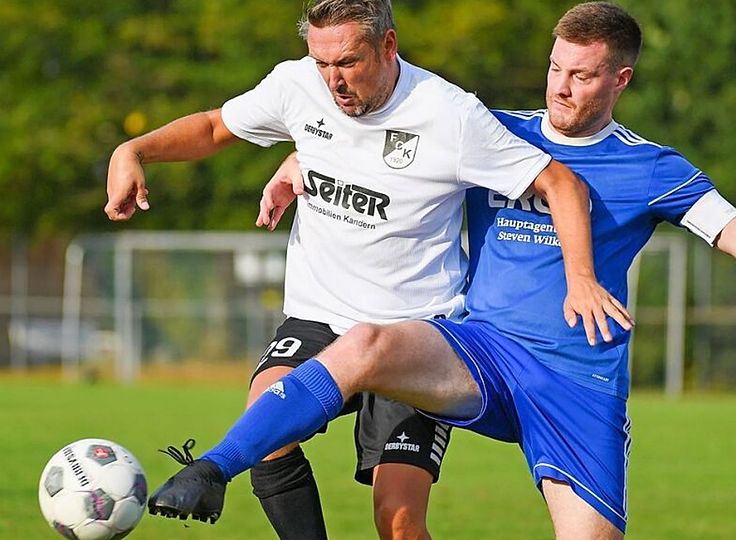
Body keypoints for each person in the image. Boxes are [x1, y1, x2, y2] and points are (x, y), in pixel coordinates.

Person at [146, 2, 736, 538]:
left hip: (578, 383)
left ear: (619, 79)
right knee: (364, 345)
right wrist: (295, 161)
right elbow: (379, 144)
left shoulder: (654, 169)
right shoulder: (493, 128)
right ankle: (216, 465)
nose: (562, 87)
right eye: (556, 69)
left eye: (583, 74)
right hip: (478, 351)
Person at [104, 1, 624, 538]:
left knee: (396, 523)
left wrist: (581, 278)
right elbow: (216, 127)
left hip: (414, 334)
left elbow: (559, 181)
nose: (333, 80)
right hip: (319, 315)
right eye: (322, 63)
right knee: (266, 421)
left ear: (388, 46)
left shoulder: (450, 114)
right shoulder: (296, 85)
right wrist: (135, 150)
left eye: (348, 63)